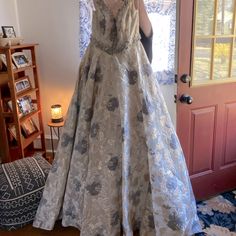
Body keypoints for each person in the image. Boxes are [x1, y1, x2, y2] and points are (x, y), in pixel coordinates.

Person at [33, 0, 202, 235]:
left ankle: (109, 207)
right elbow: (148, 34)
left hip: (103, 75)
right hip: (124, 72)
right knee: (132, 143)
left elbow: (146, 33)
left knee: (100, 143)